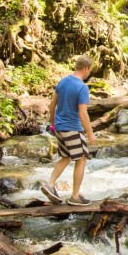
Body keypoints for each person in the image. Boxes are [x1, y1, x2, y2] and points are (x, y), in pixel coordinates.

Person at [41, 55, 96, 206]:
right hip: (73, 128)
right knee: (82, 158)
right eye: (89, 70)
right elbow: (82, 113)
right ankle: (75, 196)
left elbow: (52, 105)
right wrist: (90, 134)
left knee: (66, 157)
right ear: (86, 68)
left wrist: (53, 124)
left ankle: (50, 184)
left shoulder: (63, 81)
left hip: (59, 127)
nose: (89, 73)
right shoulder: (82, 87)